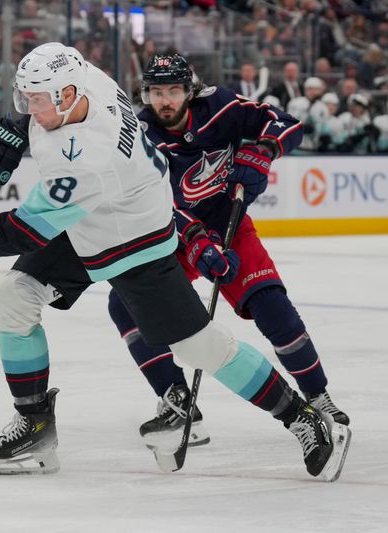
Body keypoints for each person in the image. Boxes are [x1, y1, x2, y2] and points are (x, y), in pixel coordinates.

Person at [0, 43, 351, 480]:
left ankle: (300, 415)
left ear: (67, 95)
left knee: (199, 347)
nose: (30, 107)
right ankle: (34, 425)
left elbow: (26, 230)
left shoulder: (89, 155)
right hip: (91, 220)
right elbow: (44, 107)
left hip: (135, 237)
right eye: (25, 98)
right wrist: (16, 124)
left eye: (36, 101)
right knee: (12, 297)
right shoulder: (83, 78)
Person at [106, 54, 350, 452]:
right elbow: (153, 202)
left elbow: (288, 123)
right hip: (173, 238)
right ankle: (177, 400)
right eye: (155, 92)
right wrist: (198, 240)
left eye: (172, 91)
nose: (164, 100)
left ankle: (318, 397)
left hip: (230, 228)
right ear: (145, 94)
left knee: (274, 308)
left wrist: (264, 151)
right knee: (125, 302)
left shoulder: (221, 107)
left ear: (189, 90)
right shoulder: (140, 135)